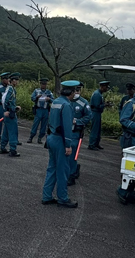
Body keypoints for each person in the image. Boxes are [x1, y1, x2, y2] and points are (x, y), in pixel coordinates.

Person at [41, 80, 79, 208]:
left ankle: (46, 196)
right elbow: (67, 127)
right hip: (60, 140)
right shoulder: (67, 105)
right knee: (63, 170)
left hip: (51, 137)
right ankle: (63, 198)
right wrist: (68, 145)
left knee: (52, 168)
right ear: (72, 92)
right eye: (75, 91)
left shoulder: (56, 102)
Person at [68, 82, 92, 186]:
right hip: (65, 131)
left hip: (76, 132)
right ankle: (71, 170)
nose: (76, 93)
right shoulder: (67, 100)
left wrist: (77, 121)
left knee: (73, 153)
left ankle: (72, 175)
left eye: (78, 90)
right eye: (75, 90)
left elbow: (88, 117)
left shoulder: (83, 103)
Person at [0, 72, 21, 157]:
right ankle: (13, 150)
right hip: (10, 113)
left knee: (6, 131)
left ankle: (3, 147)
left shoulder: (9, 89)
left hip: (9, 112)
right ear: (13, 81)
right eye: (17, 80)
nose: (18, 82)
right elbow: (5, 100)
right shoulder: (11, 89)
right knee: (13, 131)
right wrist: (11, 109)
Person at [27, 78, 53, 144]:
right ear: (40, 84)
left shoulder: (49, 92)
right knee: (35, 124)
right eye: (42, 84)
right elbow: (32, 98)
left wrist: (49, 99)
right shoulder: (36, 91)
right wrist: (37, 97)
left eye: (45, 84)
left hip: (45, 110)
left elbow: (53, 100)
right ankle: (31, 137)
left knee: (44, 125)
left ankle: (40, 138)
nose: (43, 85)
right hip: (38, 109)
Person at [88, 81, 110, 151]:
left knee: (98, 130)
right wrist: (105, 105)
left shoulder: (99, 93)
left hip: (97, 113)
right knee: (95, 129)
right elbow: (97, 106)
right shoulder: (97, 94)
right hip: (95, 113)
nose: (107, 89)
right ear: (102, 86)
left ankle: (96, 143)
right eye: (106, 87)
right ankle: (92, 144)